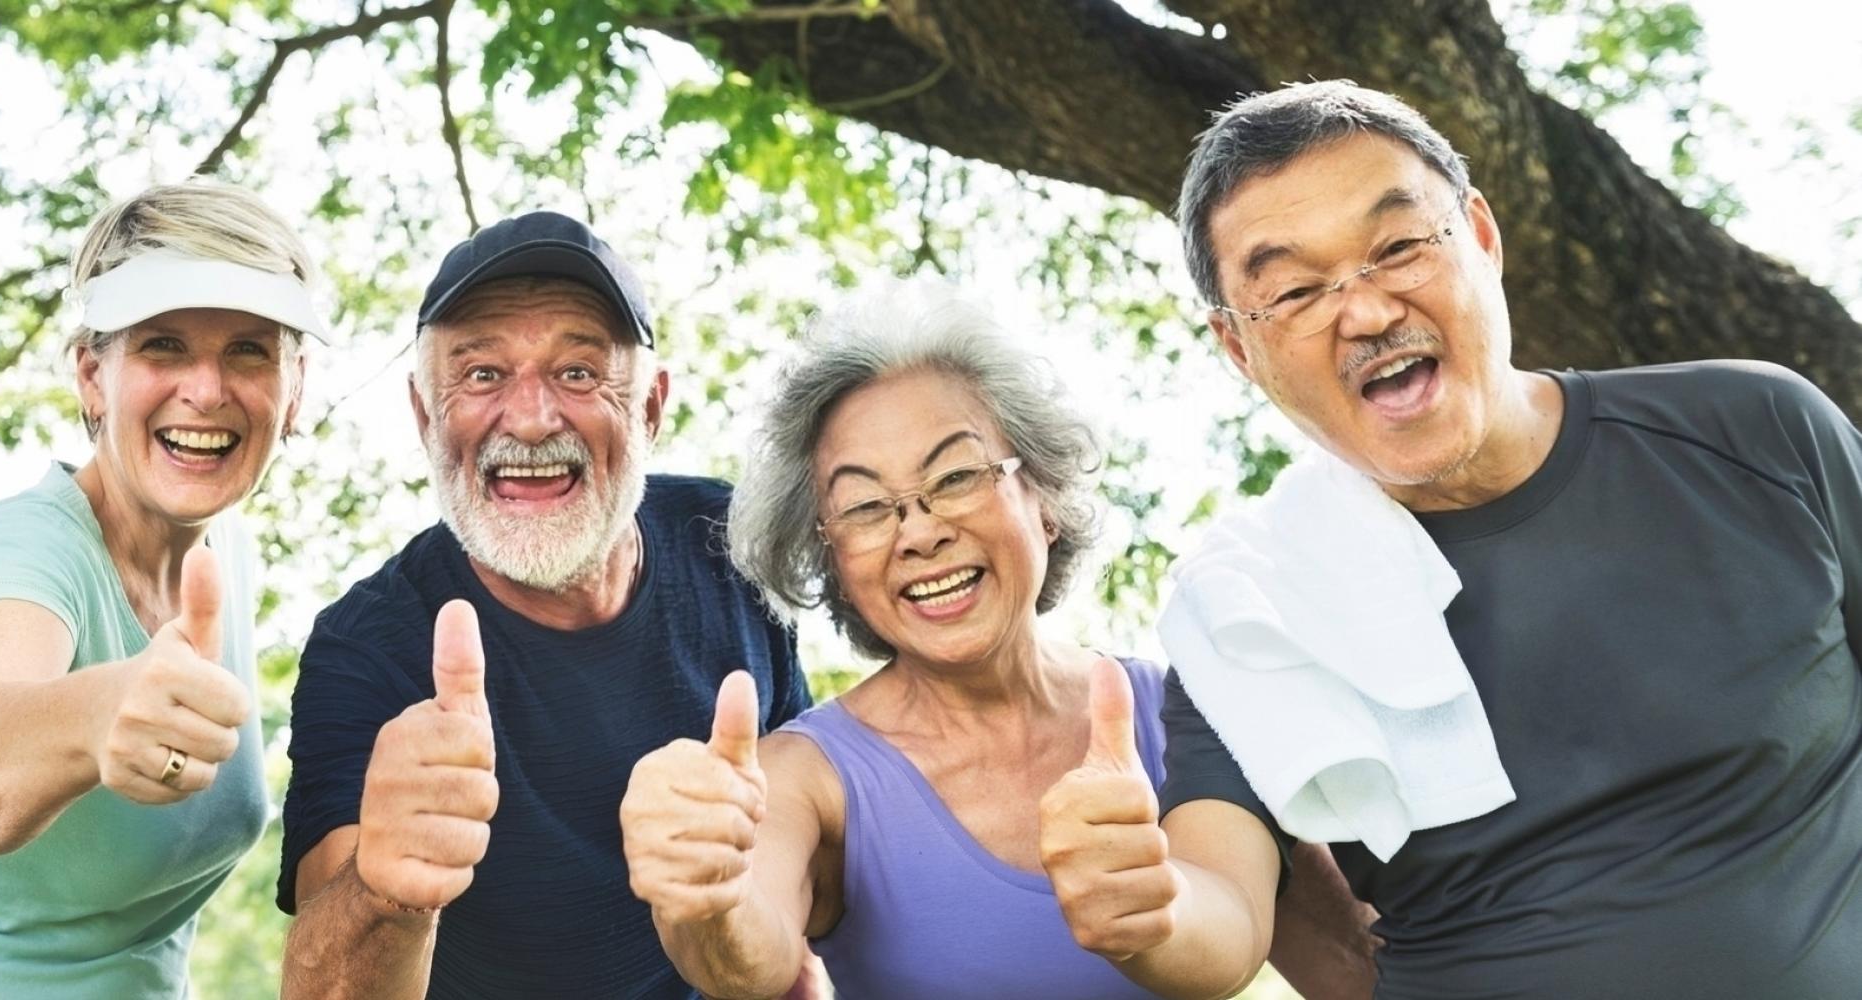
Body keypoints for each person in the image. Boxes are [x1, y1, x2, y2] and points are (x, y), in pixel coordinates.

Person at [1038, 80, 1862, 999]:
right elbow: (1220, 919)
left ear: (1479, 235)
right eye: (1298, 291)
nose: (1367, 311)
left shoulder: (1756, 430)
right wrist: (1145, 911)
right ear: (1240, 348)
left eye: (1396, 248)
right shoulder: (1251, 605)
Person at [276, 211, 813, 999]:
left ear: (651, 409)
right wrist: (387, 889)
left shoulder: (731, 549)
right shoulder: (367, 643)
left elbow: (800, 885)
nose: (530, 419)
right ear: (427, 417)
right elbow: (317, 987)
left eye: (579, 372)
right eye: (483, 374)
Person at [620, 283, 1182, 1000]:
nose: (919, 533)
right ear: (835, 565)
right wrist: (703, 899)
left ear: (1043, 499)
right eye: (864, 507)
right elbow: (747, 961)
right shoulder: (806, 776)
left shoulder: (1176, 714)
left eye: (955, 477)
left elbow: (1340, 956)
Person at [0, 179, 318, 998]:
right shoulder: (27, 548)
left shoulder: (225, 551)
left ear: (294, 390)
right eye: (163, 345)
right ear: (93, 376)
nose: (207, 389)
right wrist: (99, 711)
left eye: (249, 349)